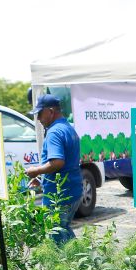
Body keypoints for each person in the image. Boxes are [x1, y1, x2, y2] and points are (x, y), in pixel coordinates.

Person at [25, 94, 83, 245]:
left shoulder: (54, 132)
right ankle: (82, 262)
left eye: (40, 113)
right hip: (73, 189)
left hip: (59, 195)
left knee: (55, 234)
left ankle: (67, 266)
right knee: (63, 229)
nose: (38, 119)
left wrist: (36, 171)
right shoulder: (68, 128)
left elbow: (57, 162)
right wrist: (43, 178)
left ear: (50, 111)